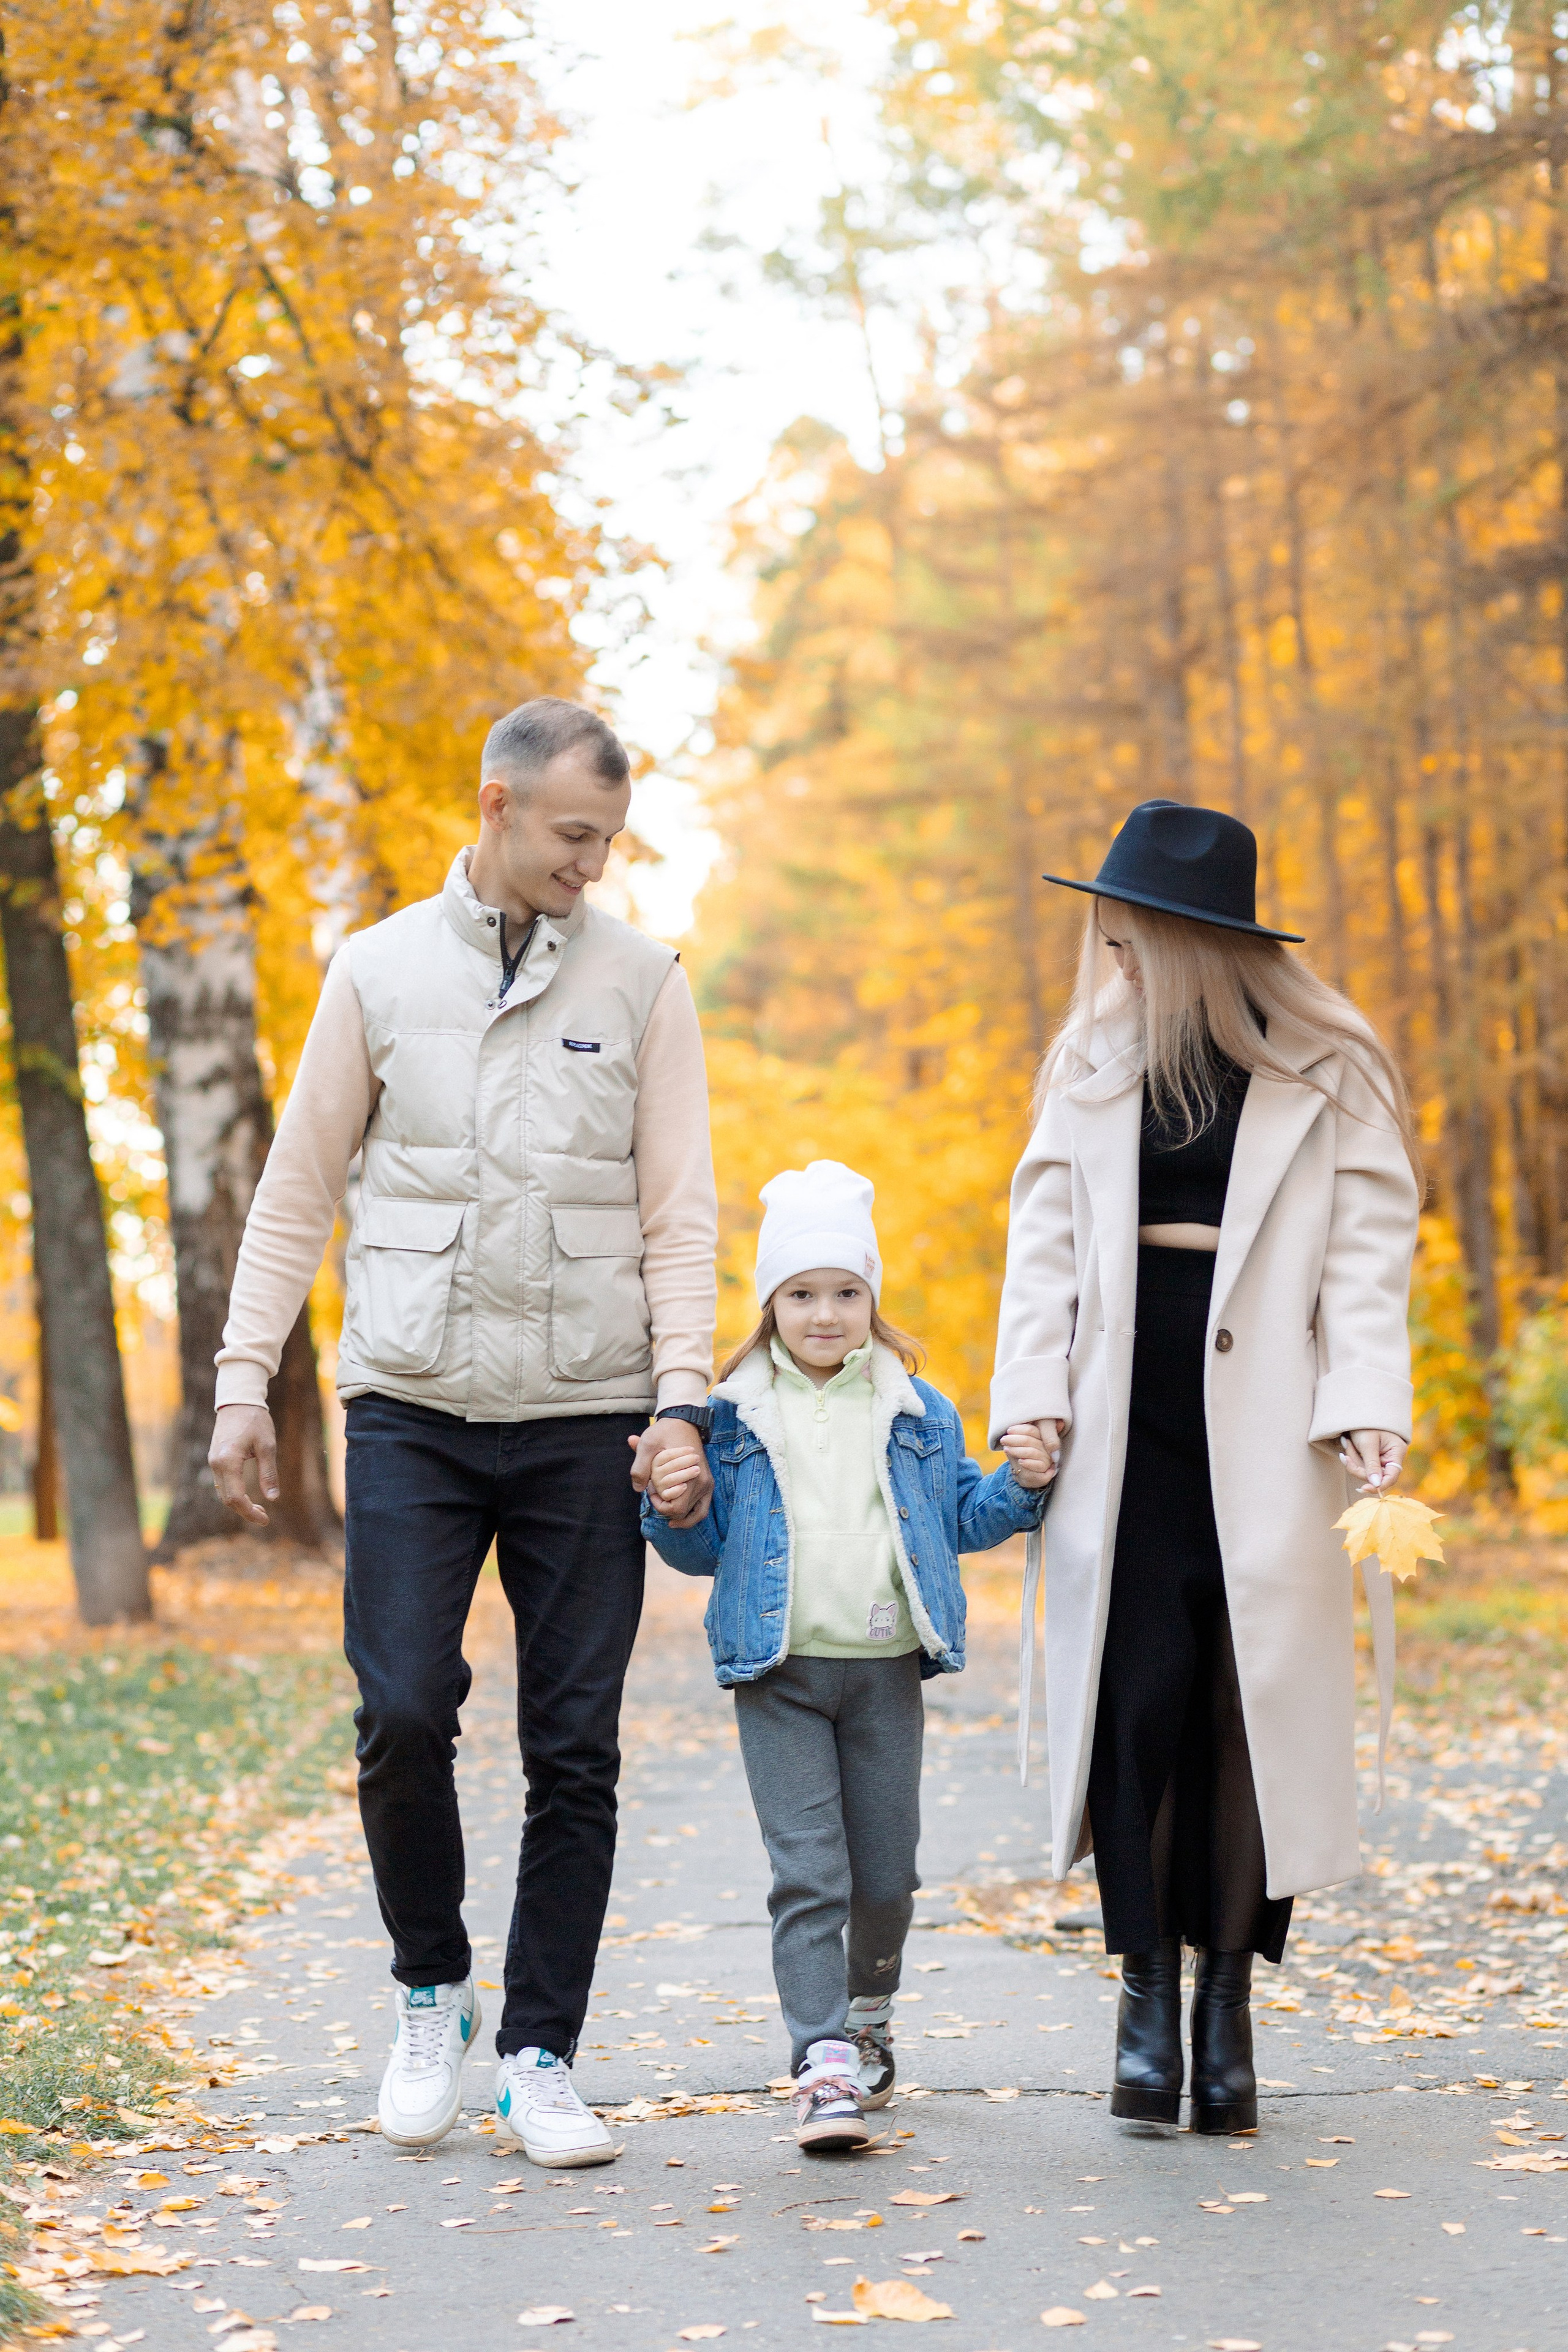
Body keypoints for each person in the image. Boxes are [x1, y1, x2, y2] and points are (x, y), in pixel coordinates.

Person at [207, 699, 718, 2168]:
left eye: (608, 843)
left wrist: (678, 1397)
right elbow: (296, 1189)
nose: (592, 867)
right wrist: (246, 1377)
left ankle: (541, 2054)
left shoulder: (641, 982)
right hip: (413, 1410)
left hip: (584, 1419)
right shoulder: (373, 971)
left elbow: (678, 1215)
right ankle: (430, 1986)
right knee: (401, 1709)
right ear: (495, 805)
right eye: (572, 836)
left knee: (576, 1747)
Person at [992, 800, 1420, 2135]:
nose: (1106, 945)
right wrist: (1028, 1398)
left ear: (1187, 938)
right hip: (1120, 1419)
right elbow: (1043, 1241)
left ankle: (1226, 2005)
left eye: (1126, 928)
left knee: (1246, 1712)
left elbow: (1365, 1246)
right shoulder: (1089, 1056)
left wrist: (1363, 1397)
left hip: (1270, 1426)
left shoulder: (1327, 1063)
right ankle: (1142, 1999)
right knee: (1137, 1705)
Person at [643, 1160, 1054, 2150]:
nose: (824, 1315)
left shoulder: (919, 1411)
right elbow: (703, 1551)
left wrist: (1027, 1484)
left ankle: (869, 2014)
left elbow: (962, 1516)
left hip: (883, 1674)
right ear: (770, 1304)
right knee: (809, 1873)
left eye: (845, 1293)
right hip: (780, 1675)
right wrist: (674, 1506)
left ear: (872, 1299)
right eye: (801, 1295)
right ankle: (821, 2062)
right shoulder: (730, 1418)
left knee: (885, 1877)